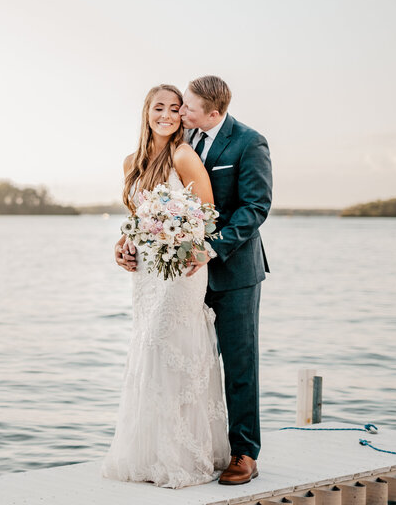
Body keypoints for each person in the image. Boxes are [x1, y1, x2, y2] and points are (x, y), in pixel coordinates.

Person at [116, 75, 272, 486]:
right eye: (170, 106)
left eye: (184, 106)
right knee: (179, 357)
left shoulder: (247, 142)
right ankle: (175, 445)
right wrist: (128, 242)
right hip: (170, 272)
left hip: (232, 268)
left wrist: (210, 248)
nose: (178, 112)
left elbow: (254, 207)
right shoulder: (170, 145)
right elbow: (148, 210)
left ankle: (243, 453)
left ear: (213, 112)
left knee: (239, 362)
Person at [101, 84, 230, 489]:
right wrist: (122, 245)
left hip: (183, 268)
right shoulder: (132, 163)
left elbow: (208, 216)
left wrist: (191, 247)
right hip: (146, 272)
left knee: (168, 345)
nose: (167, 115)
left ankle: (183, 455)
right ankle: (151, 454)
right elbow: (135, 219)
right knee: (147, 347)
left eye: (175, 109)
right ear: (146, 112)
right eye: (160, 107)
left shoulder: (183, 155)